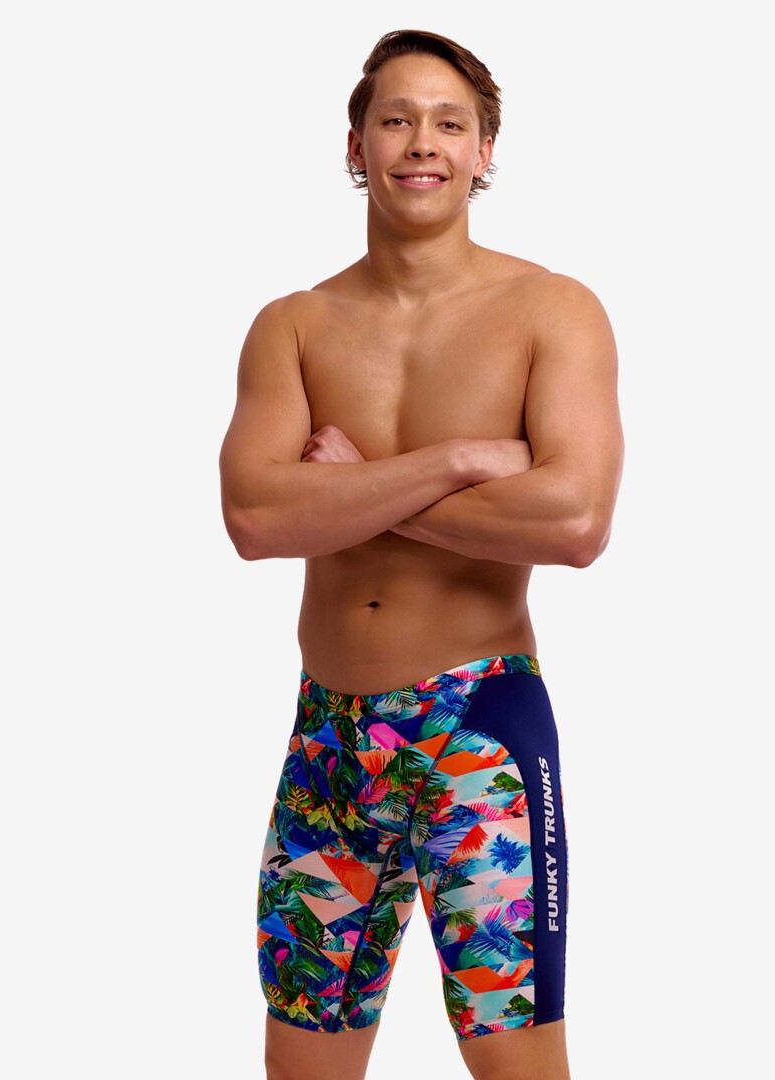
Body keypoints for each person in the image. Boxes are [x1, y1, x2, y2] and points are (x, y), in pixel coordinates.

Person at [219, 28, 623, 1080]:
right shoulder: (294, 326)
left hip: (476, 730)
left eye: (450, 123)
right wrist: (458, 461)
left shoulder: (551, 309)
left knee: (517, 1063)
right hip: (329, 744)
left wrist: (353, 491)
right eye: (396, 119)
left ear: (485, 151)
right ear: (357, 144)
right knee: (302, 1064)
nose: (422, 143)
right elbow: (256, 518)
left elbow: (576, 521)